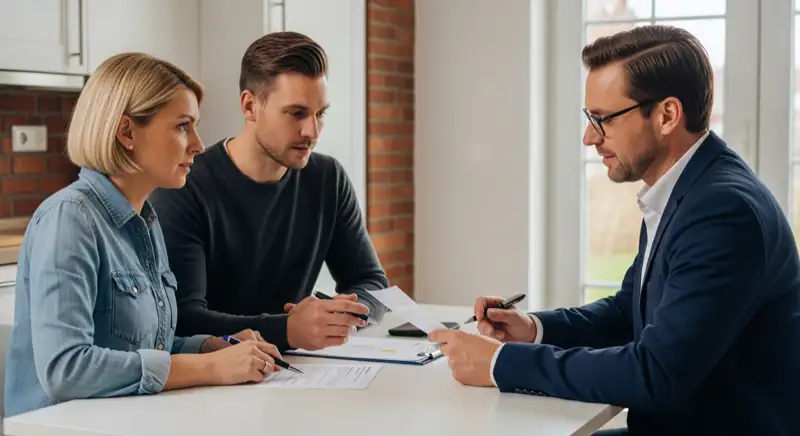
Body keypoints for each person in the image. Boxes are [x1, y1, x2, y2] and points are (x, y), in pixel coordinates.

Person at [428, 25, 800, 435]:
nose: (590, 137)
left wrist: (500, 364)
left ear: (667, 115)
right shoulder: (687, 189)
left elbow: (655, 373)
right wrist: (533, 329)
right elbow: (630, 311)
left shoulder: (722, 212)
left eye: (602, 119)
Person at [4, 53, 283, 418]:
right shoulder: (69, 220)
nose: (198, 144)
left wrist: (212, 347)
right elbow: (66, 369)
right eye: (183, 126)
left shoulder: (146, 221)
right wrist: (212, 367)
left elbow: (148, 346)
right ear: (126, 132)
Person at [148, 31, 388, 352]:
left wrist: (342, 314)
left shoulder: (328, 178)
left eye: (321, 114)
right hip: (208, 380)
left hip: (293, 372)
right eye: (297, 113)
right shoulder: (183, 186)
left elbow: (371, 281)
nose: (312, 132)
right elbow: (183, 319)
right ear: (250, 106)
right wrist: (287, 329)